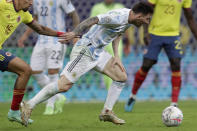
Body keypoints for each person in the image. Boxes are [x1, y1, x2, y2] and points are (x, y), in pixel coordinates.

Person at [20, 2, 153, 126]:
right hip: (85, 51)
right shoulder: (117, 17)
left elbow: (119, 33)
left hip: (98, 53)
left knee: (121, 77)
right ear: (139, 16)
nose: (147, 22)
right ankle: (29, 104)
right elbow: (93, 20)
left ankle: (107, 111)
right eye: (147, 19)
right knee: (63, 85)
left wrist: (116, 56)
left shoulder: (129, 18)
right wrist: (75, 33)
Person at [0, 0, 69, 125]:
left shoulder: (24, 14)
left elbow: (41, 29)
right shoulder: (3, 4)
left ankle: (14, 111)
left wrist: (61, 34)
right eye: (29, 0)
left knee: (25, 70)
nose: (32, 3)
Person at [125, 0, 197, 112]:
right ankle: (132, 95)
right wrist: (145, 32)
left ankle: (174, 104)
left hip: (173, 35)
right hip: (155, 34)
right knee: (147, 65)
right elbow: (146, 11)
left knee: (176, 64)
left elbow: (190, 17)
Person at [17, 0, 80, 115]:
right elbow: (34, 20)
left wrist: (76, 33)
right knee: (35, 71)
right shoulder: (35, 1)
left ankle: (50, 106)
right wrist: (25, 36)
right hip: (41, 40)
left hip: (58, 40)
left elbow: (74, 14)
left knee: (52, 72)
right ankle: (58, 97)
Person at [90, 0, 131, 90]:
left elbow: (126, 25)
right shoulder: (96, 8)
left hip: (116, 43)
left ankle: (113, 91)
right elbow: (91, 24)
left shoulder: (120, 7)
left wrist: (127, 43)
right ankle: (110, 90)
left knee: (116, 66)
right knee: (106, 69)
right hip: (101, 42)